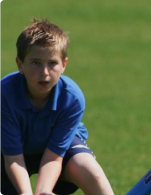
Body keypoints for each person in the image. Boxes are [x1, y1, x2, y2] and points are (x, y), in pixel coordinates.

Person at [0, 18, 114, 195]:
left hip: (55, 154)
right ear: (20, 65)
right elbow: (13, 157)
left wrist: (44, 191)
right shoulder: (4, 95)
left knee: (93, 175)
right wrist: (26, 193)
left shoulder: (72, 98)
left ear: (64, 65)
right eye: (35, 63)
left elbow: (54, 156)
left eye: (52, 63)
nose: (44, 73)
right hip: (11, 154)